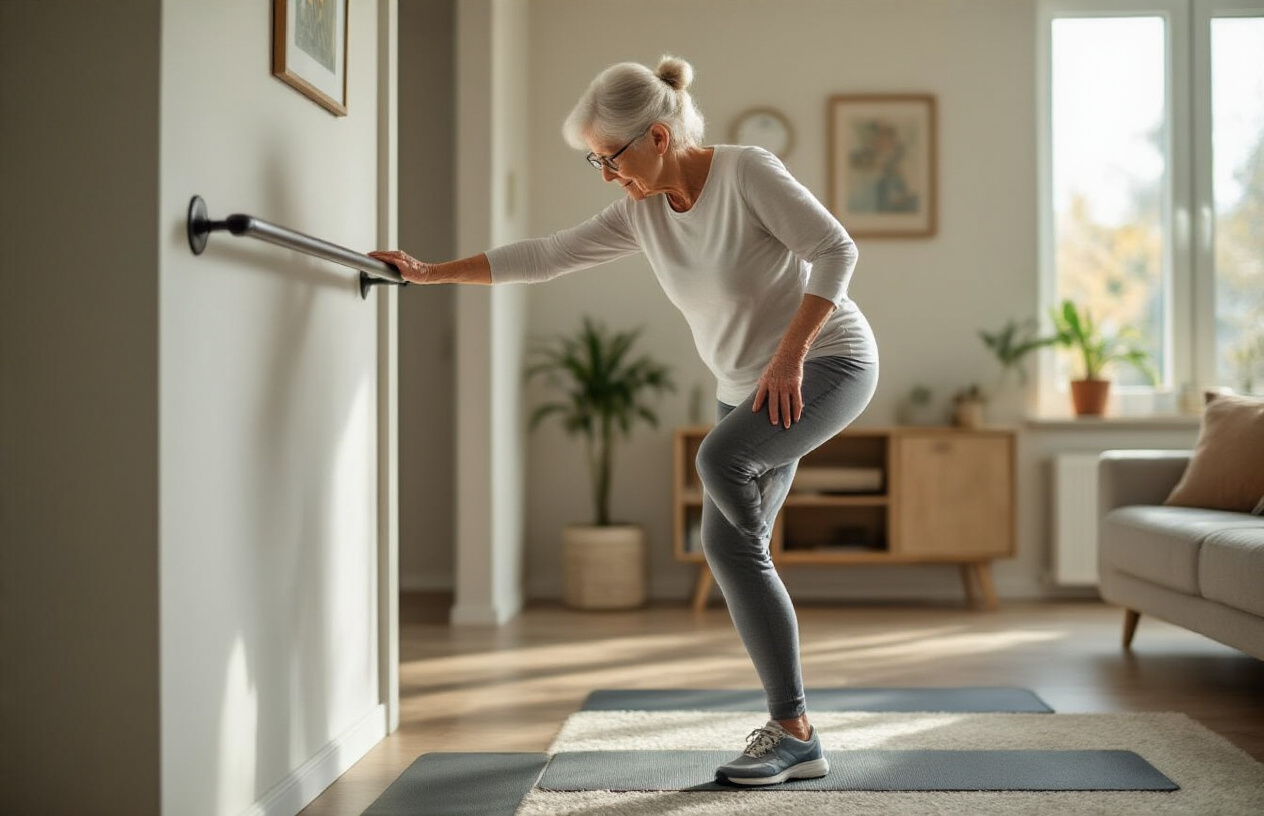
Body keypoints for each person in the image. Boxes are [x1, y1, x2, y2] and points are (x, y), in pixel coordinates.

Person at [370, 55, 878, 787]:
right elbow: (546, 255)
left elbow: (835, 249)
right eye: (594, 162)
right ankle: (795, 731)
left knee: (719, 467)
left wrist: (791, 355)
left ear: (660, 137)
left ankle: (791, 718)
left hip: (827, 364)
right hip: (745, 387)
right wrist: (430, 272)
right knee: (733, 551)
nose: (608, 176)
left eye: (611, 158)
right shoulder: (640, 213)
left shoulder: (747, 172)